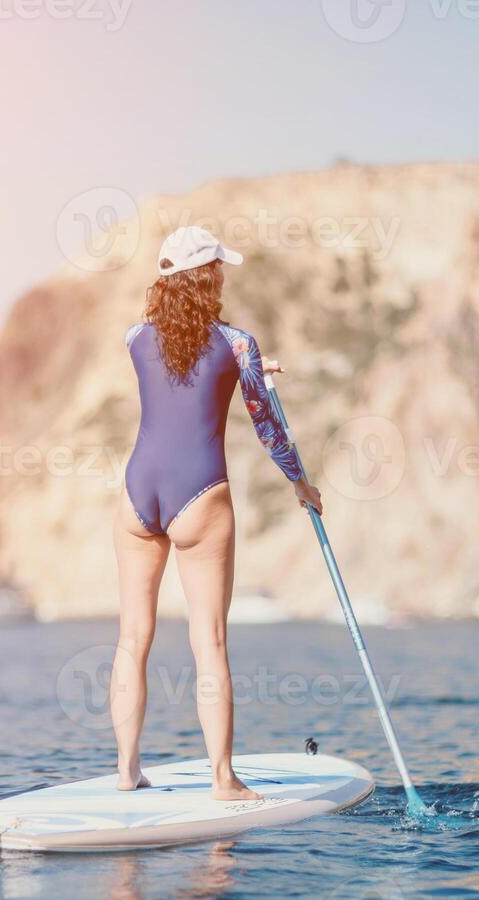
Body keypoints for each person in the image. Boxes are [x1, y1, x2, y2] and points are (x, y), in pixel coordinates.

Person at [110, 226, 323, 801]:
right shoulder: (238, 344)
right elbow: (265, 424)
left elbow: (181, 371)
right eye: (219, 268)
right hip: (199, 494)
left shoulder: (134, 337)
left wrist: (252, 368)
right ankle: (223, 779)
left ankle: (128, 770)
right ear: (208, 276)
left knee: (133, 638)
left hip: (136, 493)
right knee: (210, 642)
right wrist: (299, 480)